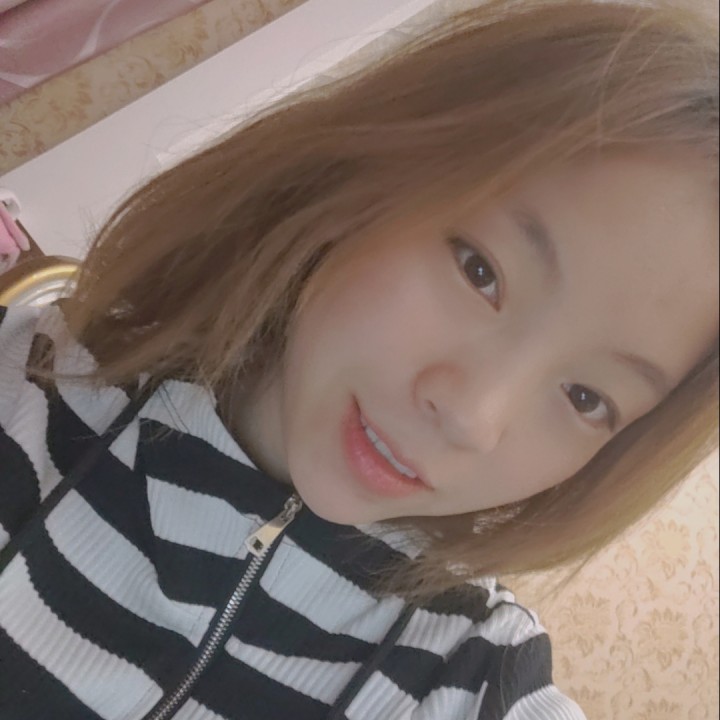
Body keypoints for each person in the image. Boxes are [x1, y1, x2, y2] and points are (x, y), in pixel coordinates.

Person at [0, 0, 717, 718]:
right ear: (368, 179)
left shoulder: (471, 680)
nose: (471, 417)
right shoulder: (24, 378)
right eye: (481, 272)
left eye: (586, 398)